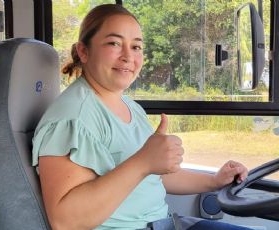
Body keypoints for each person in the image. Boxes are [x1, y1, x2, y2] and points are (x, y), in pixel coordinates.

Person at [32, 4, 250, 230]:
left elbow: (154, 176)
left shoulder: (128, 106)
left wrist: (214, 181)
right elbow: (65, 221)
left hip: (168, 224)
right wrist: (143, 162)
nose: (128, 56)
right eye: (114, 43)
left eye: (136, 47)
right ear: (83, 51)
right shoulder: (72, 118)